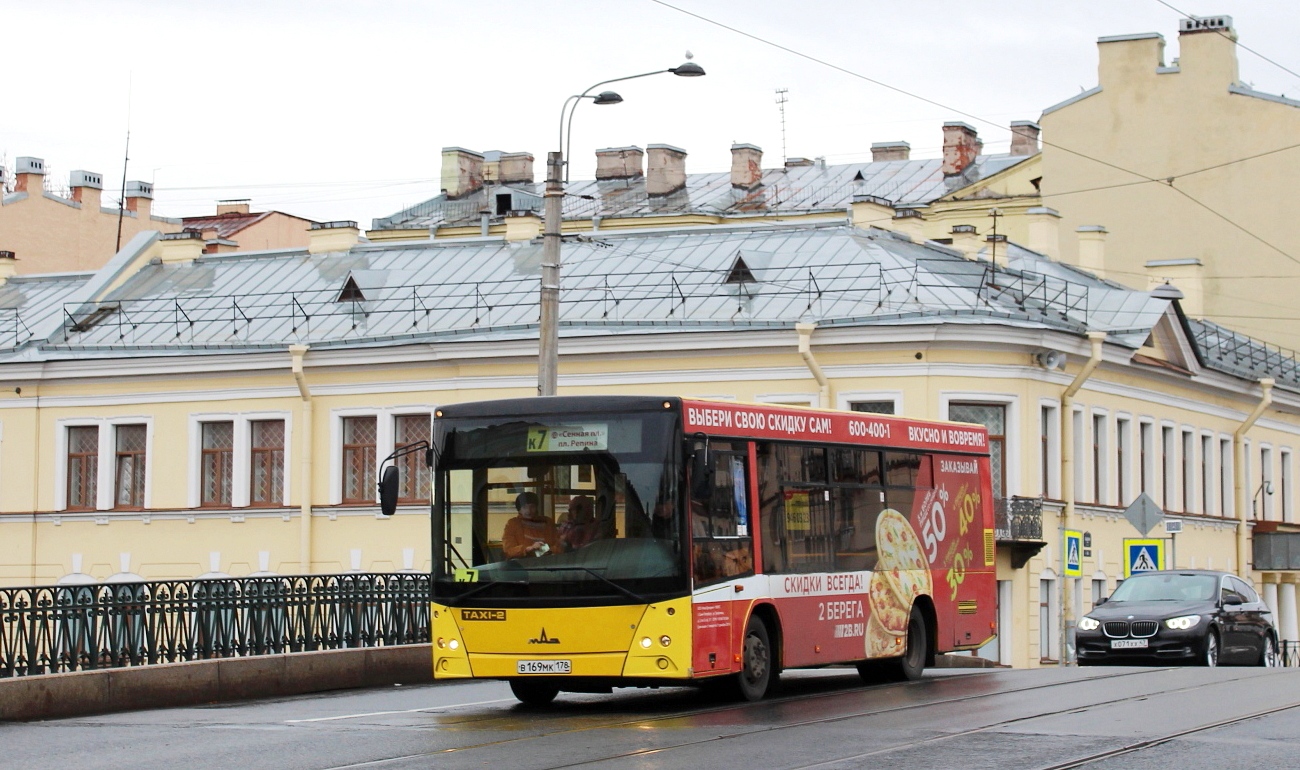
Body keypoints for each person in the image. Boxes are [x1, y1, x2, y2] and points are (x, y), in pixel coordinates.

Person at [501, 491, 562, 559]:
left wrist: (544, 550)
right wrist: (528, 549)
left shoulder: (547, 522)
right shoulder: (513, 524)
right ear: (519, 509)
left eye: (532, 506)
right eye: (524, 507)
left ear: (536, 507)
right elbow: (509, 551)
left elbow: (559, 546)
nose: (528, 511)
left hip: (548, 563)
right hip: (521, 566)